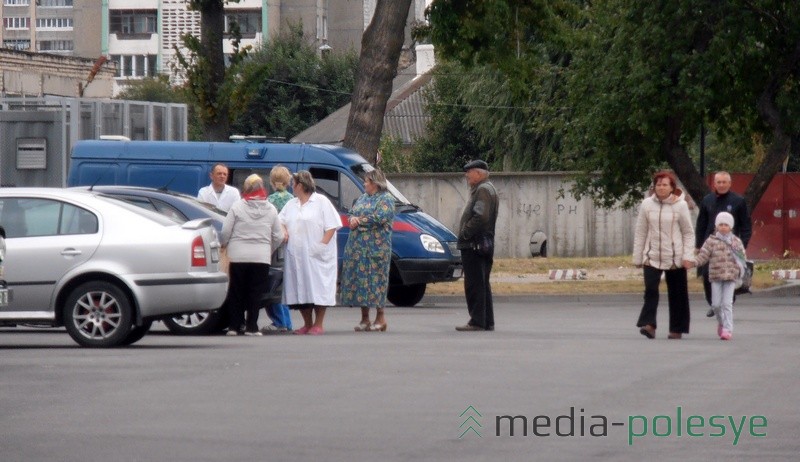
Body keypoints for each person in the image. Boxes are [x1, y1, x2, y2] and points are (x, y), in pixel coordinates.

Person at [632, 170, 694, 340]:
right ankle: (649, 325)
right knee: (650, 290)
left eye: (665, 184)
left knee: (677, 293)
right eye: (658, 184)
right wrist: (638, 257)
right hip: (652, 256)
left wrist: (688, 256)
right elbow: (641, 231)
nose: (661, 187)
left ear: (672, 187)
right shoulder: (646, 204)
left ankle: (677, 328)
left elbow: (688, 233)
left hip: (675, 257)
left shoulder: (680, 206)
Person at [220, 174, 284, 336]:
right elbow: (279, 236)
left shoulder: (237, 206)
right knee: (255, 293)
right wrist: (268, 248)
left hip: (238, 256)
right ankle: (252, 326)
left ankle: (235, 326)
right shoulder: (270, 208)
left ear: (246, 188)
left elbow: (225, 231)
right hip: (261, 257)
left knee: (236, 291)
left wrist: (224, 245)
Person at [279, 170, 341, 335]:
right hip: (295, 255)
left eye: (294, 184)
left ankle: (318, 323)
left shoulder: (321, 201)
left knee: (318, 287)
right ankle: (307, 323)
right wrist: (284, 230)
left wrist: (321, 245)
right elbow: (280, 221)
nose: (292, 186)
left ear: (301, 185)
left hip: (317, 254)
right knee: (300, 288)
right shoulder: (291, 204)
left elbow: (332, 226)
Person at [340, 169, 395, 332]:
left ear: (375, 183)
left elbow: (380, 218)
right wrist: (352, 219)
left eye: (366, 181)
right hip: (357, 248)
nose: (364, 184)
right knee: (361, 282)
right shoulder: (362, 198)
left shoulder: (386, 199)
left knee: (376, 281)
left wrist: (360, 221)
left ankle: (380, 317)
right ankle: (365, 319)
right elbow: (351, 213)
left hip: (376, 249)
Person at [695, 171, 752, 317]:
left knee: (728, 277)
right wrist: (698, 245)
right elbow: (701, 224)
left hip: (730, 248)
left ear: (729, 183)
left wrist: (742, 246)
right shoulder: (707, 200)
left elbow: (746, 226)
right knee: (707, 275)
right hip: (711, 246)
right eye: (718, 182)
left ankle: (727, 303)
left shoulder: (738, 201)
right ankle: (714, 304)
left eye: (724, 182)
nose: (721, 185)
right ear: (714, 184)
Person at [455, 159, 499, 332]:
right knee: (482, 283)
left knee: (474, 283)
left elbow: (480, 216)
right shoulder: (488, 188)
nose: (466, 175)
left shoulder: (482, 190)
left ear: (479, 173)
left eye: (469, 172)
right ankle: (487, 321)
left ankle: (477, 321)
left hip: (475, 244)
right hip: (483, 243)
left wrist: (465, 232)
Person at [692, 212, 746, 340]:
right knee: (716, 304)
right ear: (716, 226)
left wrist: (739, 270)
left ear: (731, 227)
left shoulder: (735, 241)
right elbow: (703, 256)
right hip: (716, 276)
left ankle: (728, 329)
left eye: (726, 225)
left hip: (730, 277)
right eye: (720, 224)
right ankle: (721, 322)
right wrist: (693, 263)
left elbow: (742, 258)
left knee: (727, 304)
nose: (723, 227)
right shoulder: (711, 241)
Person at [260, 165, 295, 334]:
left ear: (272, 181)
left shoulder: (270, 201)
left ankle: (279, 320)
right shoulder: (293, 200)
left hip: (274, 247)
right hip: (290, 247)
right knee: (283, 286)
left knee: (272, 285)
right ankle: (287, 321)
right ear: (288, 181)